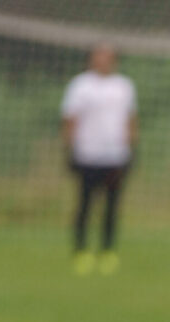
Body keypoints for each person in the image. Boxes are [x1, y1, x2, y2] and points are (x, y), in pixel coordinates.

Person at [61, 44, 137, 276]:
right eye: (99, 56)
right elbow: (70, 119)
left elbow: (131, 119)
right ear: (92, 59)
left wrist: (133, 149)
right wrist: (69, 149)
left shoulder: (124, 86)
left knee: (112, 207)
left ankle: (108, 251)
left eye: (107, 56)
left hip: (115, 155)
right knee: (84, 205)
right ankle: (81, 250)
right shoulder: (80, 85)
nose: (103, 60)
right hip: (87, 154)